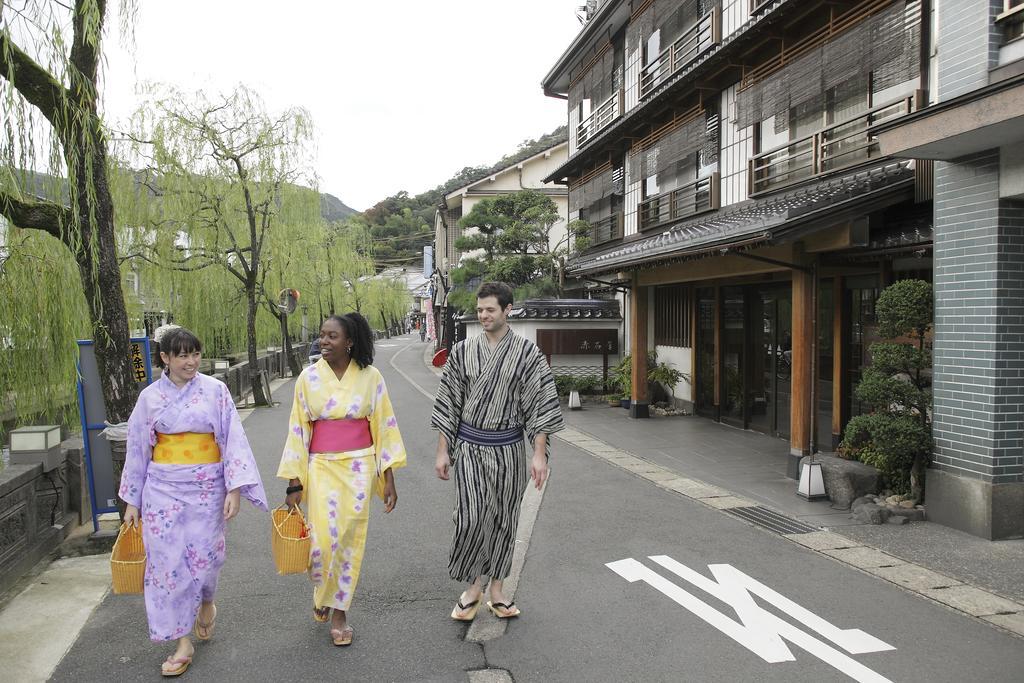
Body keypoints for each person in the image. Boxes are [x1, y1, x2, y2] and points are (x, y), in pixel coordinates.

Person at [120, 326, 268, 677]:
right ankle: (181, 641)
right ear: (165, 358)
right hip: (162, 490)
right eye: (182, 355)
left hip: (206, 487)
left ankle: (206, 602)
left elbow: (233, 439)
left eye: (195, 353)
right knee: (166, 566)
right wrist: (132, 501)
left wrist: (234, 489)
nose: (190, 361)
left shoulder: (216, 391)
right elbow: (138, 448)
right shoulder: (150, 399)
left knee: (206, 559)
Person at [431, 282, 564, 621]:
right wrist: (443, 450)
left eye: (490, 310)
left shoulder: (526, 353)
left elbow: (540, 404)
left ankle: (497, 590)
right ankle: (473, 587)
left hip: (508, 449)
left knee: (505, 519)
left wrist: (538, 455)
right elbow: (449, 403)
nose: (484, 315)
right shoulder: (462, 352)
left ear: (507, 310)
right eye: (480, 310)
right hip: (472, 447)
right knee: (472, 517)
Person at [278, 312, 406, 646]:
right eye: (322, 335)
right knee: (321, 542)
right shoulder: (307, 379)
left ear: (349, 341)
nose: (324, 342)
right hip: (320, 467)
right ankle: (323, 592)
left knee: (348, 537)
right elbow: (297, 430)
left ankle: (339, 611)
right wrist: (294, 481)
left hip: (359, 467)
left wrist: (387, 478)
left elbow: (384, 427)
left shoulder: (371, 377)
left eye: (332, 336)